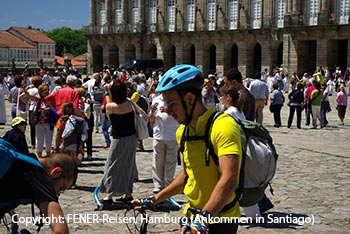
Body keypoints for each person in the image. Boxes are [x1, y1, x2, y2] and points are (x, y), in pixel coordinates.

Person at [133, 65, 242, 233]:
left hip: (220, 220)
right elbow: (187, 175)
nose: (167, 110)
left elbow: (229, 179)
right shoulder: (182, 132)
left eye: (171, 103)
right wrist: (154, 199)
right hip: (193, 217)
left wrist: (204, 218)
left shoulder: (223, 126)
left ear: (190, 99)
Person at [0, 151, 77, 234]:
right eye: (61, 188)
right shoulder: (39, 176)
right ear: (56, 173)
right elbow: (61, 231)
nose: (57, 193)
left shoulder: (21, 157)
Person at [99, 80, 148, 203]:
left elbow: (108, 114)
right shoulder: (130, 104)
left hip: (118, 138)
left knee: (111, 164)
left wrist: (106, 93)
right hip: (131, 137)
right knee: (128, 164)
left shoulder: (110, 106)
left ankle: (109, 194)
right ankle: (128, 193)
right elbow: (144, 115)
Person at [149, 93, 179, 193]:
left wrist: (167, 110)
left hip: (172, 135)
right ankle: (157, 184)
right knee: (157, 161)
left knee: (170, 162)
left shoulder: (175, 99)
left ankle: (168, 183)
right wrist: (153, 112)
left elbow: (179, 115)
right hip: (158, 135)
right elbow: (151, 119)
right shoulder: (156, 99)